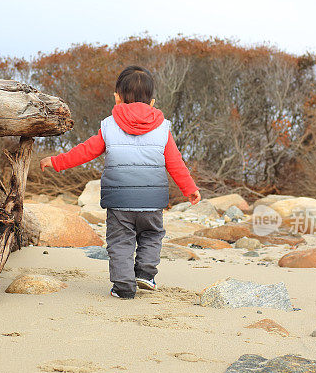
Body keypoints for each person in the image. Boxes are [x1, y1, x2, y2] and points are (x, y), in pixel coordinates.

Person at [40, 65, 201, 299]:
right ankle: (145, 275)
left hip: (119, 201)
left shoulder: (109, 126)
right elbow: (175, 163)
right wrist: (190, 189)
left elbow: (85, 152)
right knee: (151, 236)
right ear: (153, 102)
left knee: (120, 241)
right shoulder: (162, 129)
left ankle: (123, 287)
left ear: (117, 98)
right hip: (151, 201)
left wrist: (57, 161)